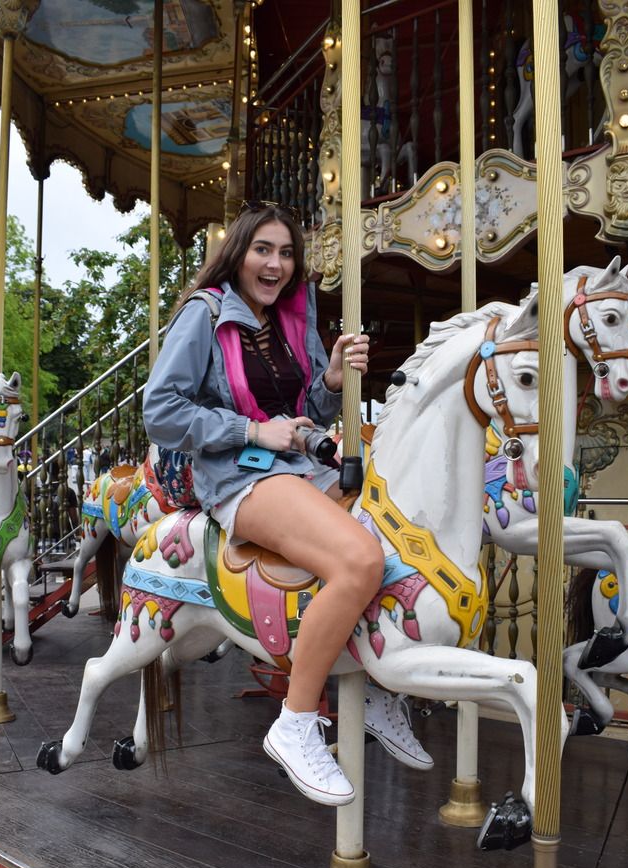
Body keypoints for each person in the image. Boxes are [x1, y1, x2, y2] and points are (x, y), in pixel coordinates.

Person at [143, 201, 430, 806]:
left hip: (298, 467)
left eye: (286, 253)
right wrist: (251, 431)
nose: (275, 264)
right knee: (359, 560)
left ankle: (378, 690)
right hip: (238, 479)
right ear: (238, 254)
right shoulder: (205, 314)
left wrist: (329, 382)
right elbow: (161, 411)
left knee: (395, 526)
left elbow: (301, 412)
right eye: (263, 250)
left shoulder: (290, 320)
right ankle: (295, 722)